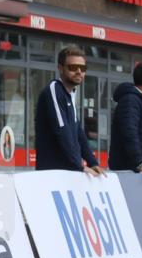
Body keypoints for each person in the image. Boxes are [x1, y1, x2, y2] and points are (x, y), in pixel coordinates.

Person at [34, 44, 102, 175]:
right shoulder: (54, 89)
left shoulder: (70, 95)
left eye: (82, 68)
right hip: (52, 173)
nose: (79, 71)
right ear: (60, 68)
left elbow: (79, 134)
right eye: (73, 67)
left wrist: (93, 163)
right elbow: (62, 130)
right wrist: (80, 166)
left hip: (70, 172)